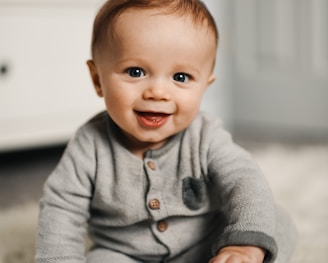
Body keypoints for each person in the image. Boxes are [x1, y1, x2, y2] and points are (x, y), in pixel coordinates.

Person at [35, 0, 296, 262]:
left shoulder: (205, 136)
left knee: (274, 220)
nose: (158, 93)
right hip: (124, 253)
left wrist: (241, 245)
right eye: (135, 71)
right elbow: (61, 209)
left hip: (206, 246)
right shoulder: (89, 145)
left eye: (181, 77)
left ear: (205, 86)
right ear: (97, 79)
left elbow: (243, 179)